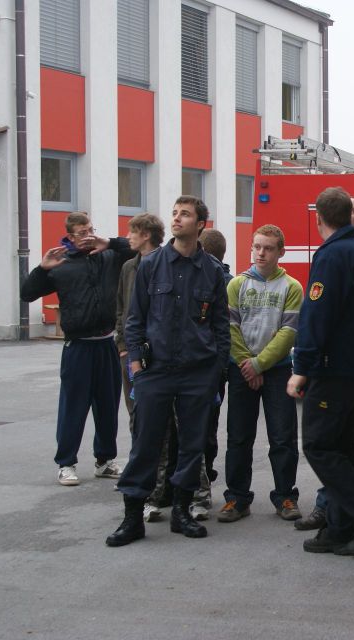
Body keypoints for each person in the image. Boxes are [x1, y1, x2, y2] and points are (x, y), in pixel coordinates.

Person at [106, 196, 230, 547]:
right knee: (145, 445)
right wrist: (136, 367)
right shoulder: (150, 265)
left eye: (185, 214)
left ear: (200, 224)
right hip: (155, 371)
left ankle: (181, 512)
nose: (176, 219)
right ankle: (132, 518)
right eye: (174, 213)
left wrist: (217, 372)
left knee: (192, 446)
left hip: (197, 372)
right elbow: (135, 319)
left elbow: (221, 325)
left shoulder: (212, 272)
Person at [287, 187, 354, 557]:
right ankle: (338, 527)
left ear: (318, 218)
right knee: (344, 449)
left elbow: (316, 316)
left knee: (319, 446)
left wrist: (301, 368)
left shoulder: (332, 256)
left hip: (336, 372)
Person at [21, 212, 135, 486]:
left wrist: (109, 242)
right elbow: (27, 293)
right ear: (70, 237)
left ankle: (105, 460)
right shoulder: (61, 264)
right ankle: (66, 463)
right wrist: (42, 269)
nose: (88, 236)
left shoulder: (109, 256)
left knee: (108, 405)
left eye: (90, 230)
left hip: (107, 342)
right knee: (74, 406)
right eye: (82, 232)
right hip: (78, 347)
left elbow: (134, 247)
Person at [219, 224, 304, 524]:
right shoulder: (236, 285)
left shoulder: (292, 288)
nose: (261, 253)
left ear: (280, 251)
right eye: (256, 246)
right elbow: (230, 328)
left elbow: (288, 333)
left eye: (268, 248)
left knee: (282, 437)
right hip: (240, 369)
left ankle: (285, 496)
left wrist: (260, 364)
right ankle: (237, 499)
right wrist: (247, 363)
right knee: (238, 437)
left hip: (278, 372)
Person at [115, 213, 169, 522]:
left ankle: (158, 490)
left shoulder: (164, 263)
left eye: (132, 232)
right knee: (137, 419)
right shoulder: (128, 267)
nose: (128, 237)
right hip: (131, 355)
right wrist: (123, 346)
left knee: (161, 426)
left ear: (146, 234)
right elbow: (122, 309)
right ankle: (139, 490)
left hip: (159, 357)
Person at [198, 228, 232, 486]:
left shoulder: (210, 278)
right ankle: (206, 471)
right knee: (209, 424)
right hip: (216, 367)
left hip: (199, 364)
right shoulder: (231, 280)